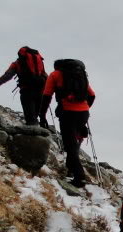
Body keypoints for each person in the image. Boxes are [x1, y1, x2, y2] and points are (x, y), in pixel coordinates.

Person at [39, 59, 95, 188]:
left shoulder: (55, 75)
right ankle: (70, 169)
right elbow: (92, 95)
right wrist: (85, 107)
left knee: (69, 145)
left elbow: (47, 95)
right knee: (74, 142)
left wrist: (42, 115)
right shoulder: (80, 75)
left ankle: (79, 177)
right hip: (83, 113)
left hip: (67, 112)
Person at [0, 46, 47, 127]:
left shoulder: (17, 63)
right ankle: (38, 134)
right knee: (35, 116)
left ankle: (32, 135)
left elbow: (7, 76)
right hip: (40, 91)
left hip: (26, 91)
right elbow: (45, 76)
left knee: (30, 118)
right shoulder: (39, 62)